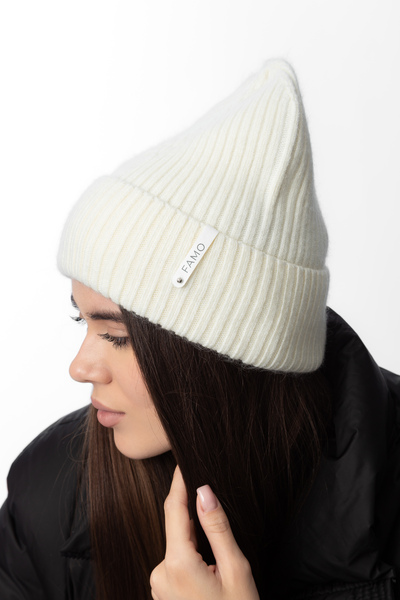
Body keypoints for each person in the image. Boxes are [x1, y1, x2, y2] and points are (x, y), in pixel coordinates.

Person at [0, 59, 399, 600]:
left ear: (222, 355)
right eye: (81, 319)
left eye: (117, 336)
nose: (79, 368)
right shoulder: (49, 493)